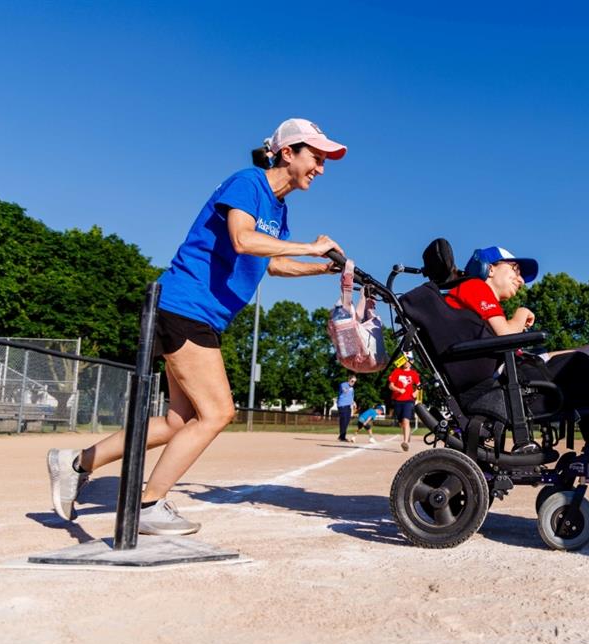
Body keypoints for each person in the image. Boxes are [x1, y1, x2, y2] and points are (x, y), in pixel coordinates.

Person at [45, 117, 347, 535]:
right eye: (316, 157)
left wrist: (321, 268)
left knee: (175, 422)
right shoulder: (248, 183)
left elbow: (271, 263)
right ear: (287, 152)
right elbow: (242, 239)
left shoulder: (279, 210)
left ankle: (75, 462)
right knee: (218, 411)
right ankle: (148, 504)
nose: (321, 167)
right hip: (185, 307)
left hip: (202, 315)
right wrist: (311, 245)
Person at [444, 246, 589, 482]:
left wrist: (578, 351)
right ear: (489, 269)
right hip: (511, 380)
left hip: (515, 372)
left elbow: (518, 351)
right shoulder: (475, 287)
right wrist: (520, 315)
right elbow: (505, 336)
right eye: (515, 269)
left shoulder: (473, 297)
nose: (520, 279)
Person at [389, 355, 421, 452]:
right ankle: (408, 435)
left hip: (409, 400)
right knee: (401, 423)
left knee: (405, 421)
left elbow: (419, 386)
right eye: (405, 360)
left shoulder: (414, 373)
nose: (406, 362)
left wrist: (416, 392)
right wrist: (399, 390)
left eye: (408, 360)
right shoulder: (396, 372)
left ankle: (405, 442)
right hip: (398, 400)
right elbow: (390, 386)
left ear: (412, 362)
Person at [336, 374, 357, 442]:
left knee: (347, 421)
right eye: (352, 381)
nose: (353, 383)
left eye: (354, 382)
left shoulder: (352, 388)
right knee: (343, 420)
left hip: (348, 406)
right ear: (349, 380)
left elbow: (351, 396)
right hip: (342, 405)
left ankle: (342, 436)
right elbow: (344, 390)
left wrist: (353, 402)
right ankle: (342, 437)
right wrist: (348, 387)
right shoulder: (344, 384)